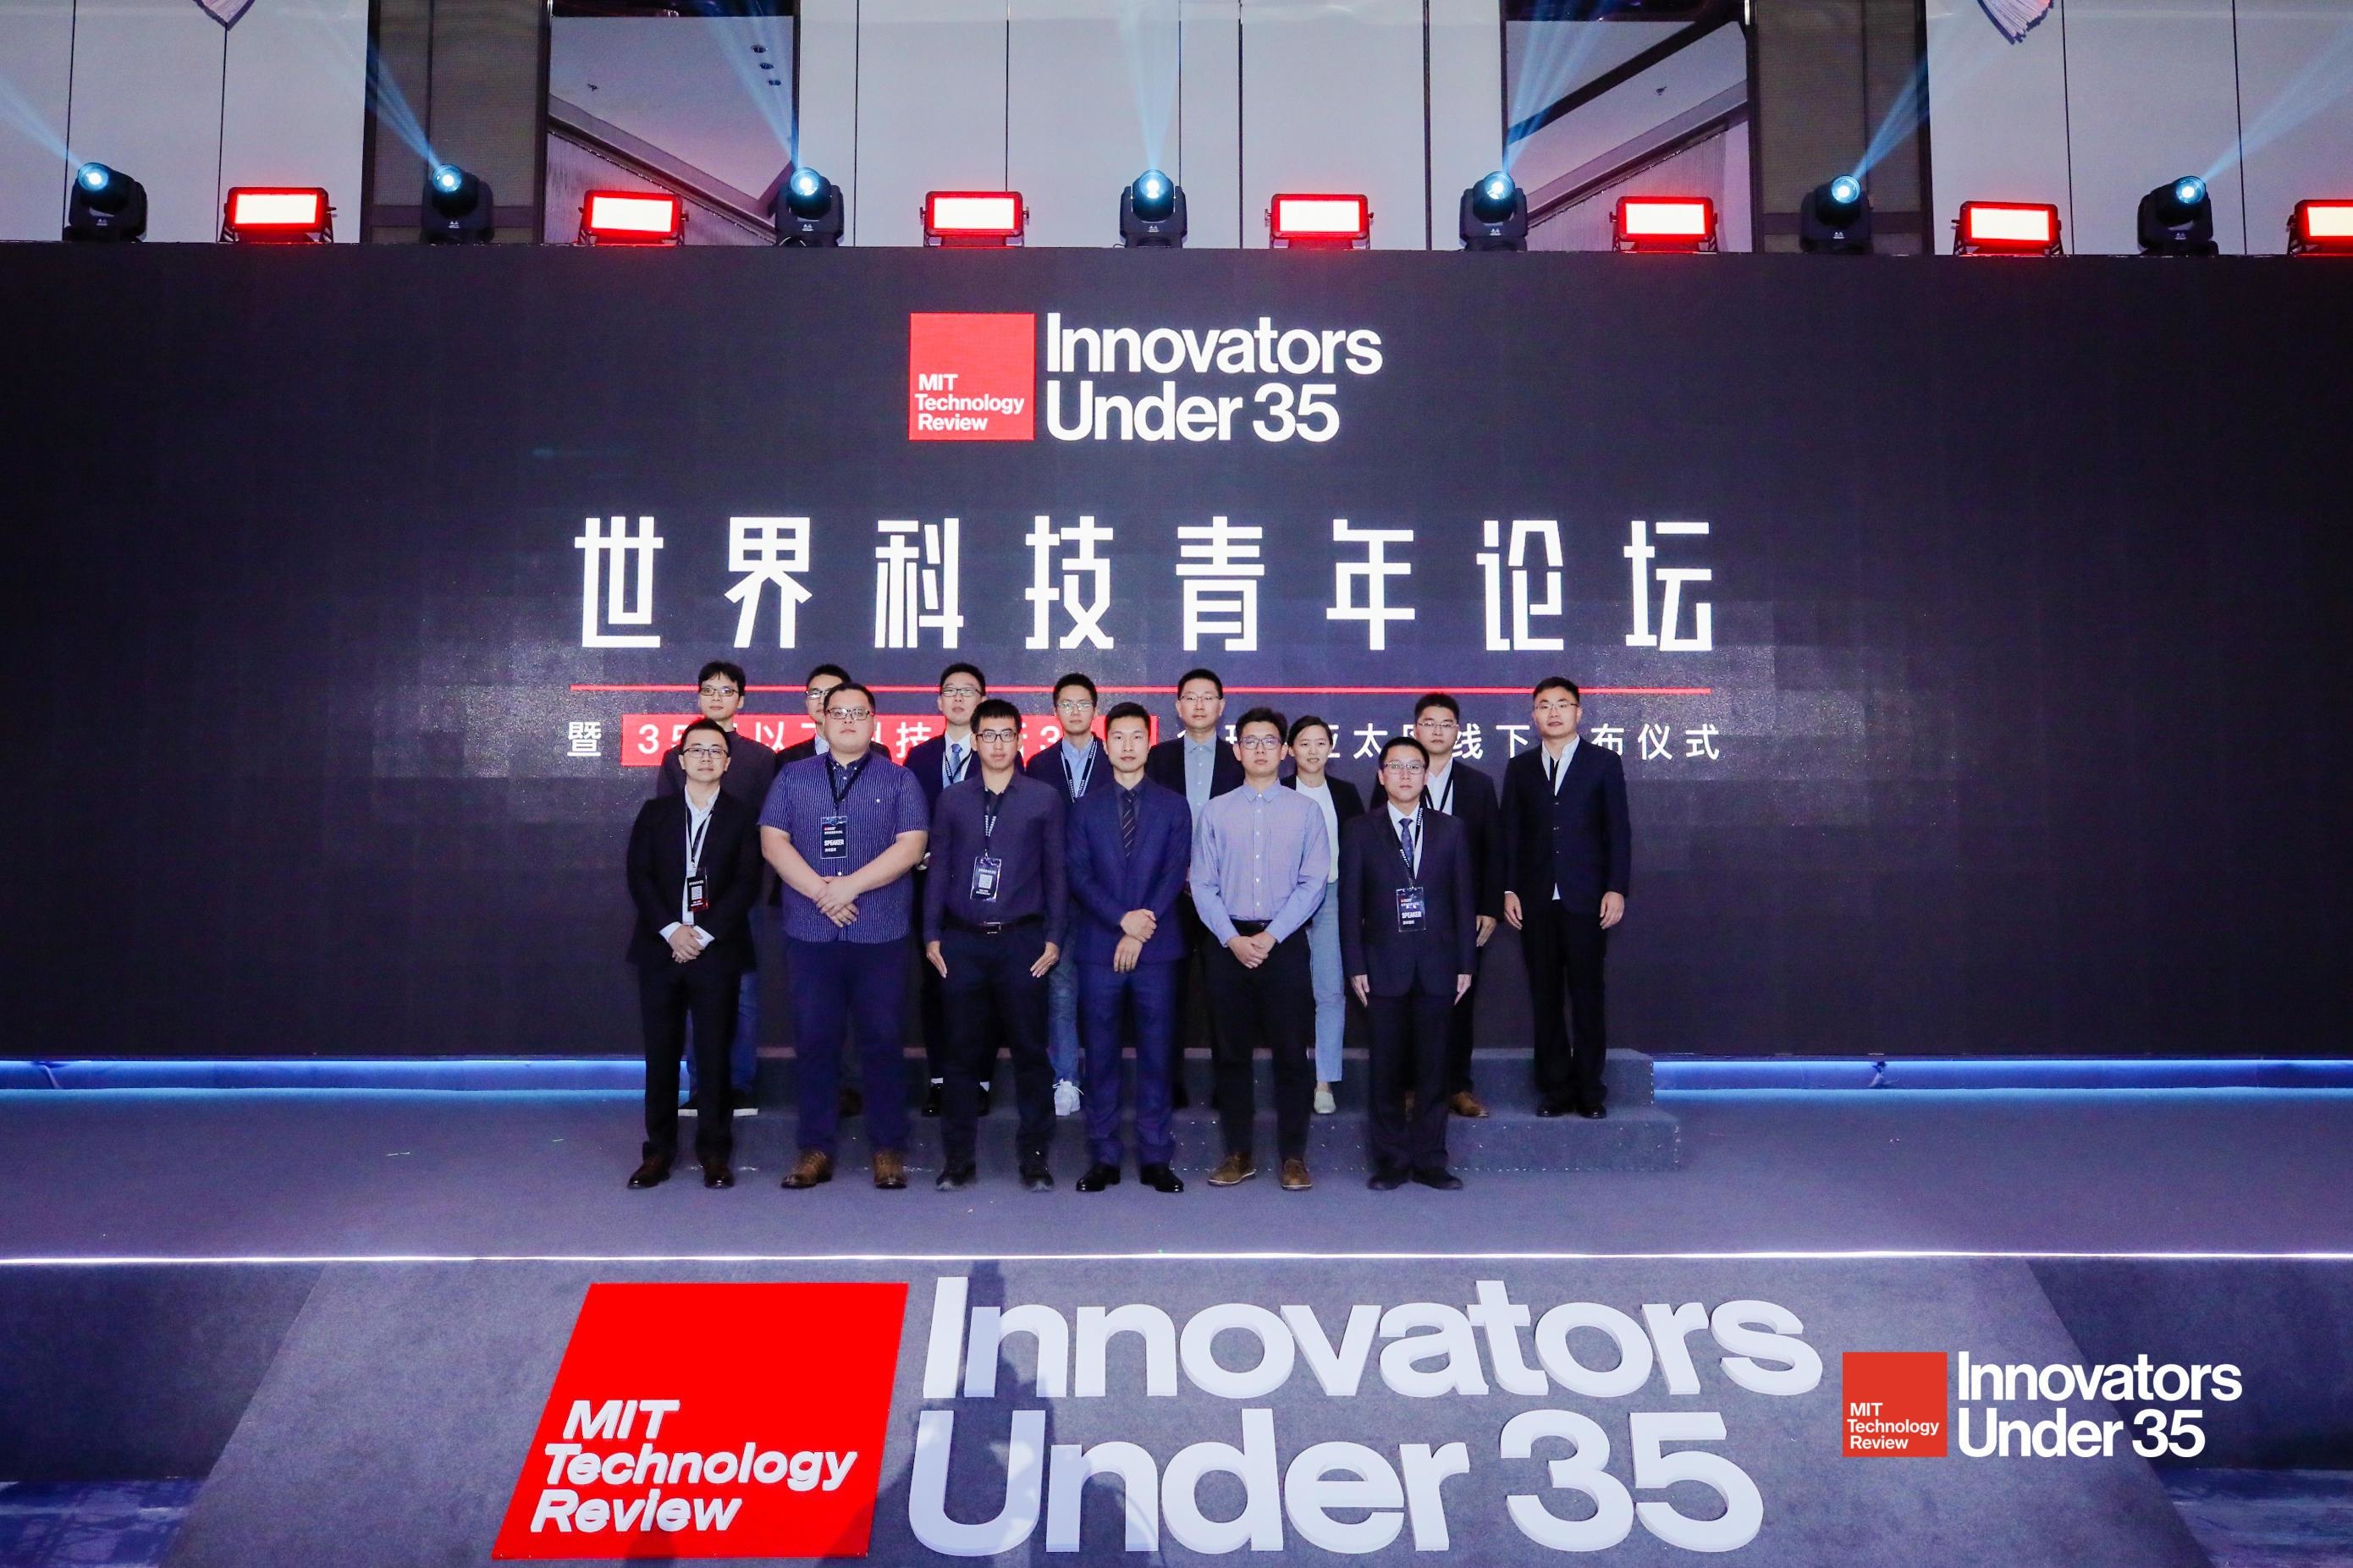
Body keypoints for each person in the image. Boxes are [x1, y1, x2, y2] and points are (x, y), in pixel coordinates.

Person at [760, 683, 926, 1188]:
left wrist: (848, 887)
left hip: (880, 932)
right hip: (811, 931)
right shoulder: (793, 777)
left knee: (883, 1041)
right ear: (821, 719)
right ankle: (814, 1148)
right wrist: (821, 892)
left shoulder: (900, 779)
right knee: (814, 1040)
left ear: (875, 720)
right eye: (839, 712)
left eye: (859, 712)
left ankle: (888, 1148)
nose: (849, 721)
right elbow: (773, 841)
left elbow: (911, 846)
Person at [926, 698, 1067, 1191]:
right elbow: (939, 870)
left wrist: (1054, 936)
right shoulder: (952, 799)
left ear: (1020, 739)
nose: (998, 744)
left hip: (1022, 942)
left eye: (1007, 734)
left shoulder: (1044, 798)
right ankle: (957, 1160)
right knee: (961, 1055)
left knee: (1031, 1053)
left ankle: (1035, 1159)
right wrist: (931, 934)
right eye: (989, 735)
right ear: (975, 741)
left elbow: (1056, 873)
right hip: (962, 942)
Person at [1190, 707, 1329, 1191]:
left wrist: (1271, 937)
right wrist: (1232, 938)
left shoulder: (1306, 812)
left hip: (1283, 945)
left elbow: (1313, 884)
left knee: (1292, 1054)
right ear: (1237, 751)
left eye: (1270, 741)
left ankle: (1293, 1157)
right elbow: (1201, 884)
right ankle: (1238, 1153)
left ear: (1285, 750)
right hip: (1227, 946)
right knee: (1231, 1055)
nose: (1261, 750)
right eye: (1251, 741)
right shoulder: (1215, 811)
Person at [624, 718, 763, 1190]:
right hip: (660, 949)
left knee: (715, 1053)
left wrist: (700, 934)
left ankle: (715, 1152)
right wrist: (671, 931)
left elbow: (747, 883)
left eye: (715, 750)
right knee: (661, 1053)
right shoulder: (654, 813)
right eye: (696, 750)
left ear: (728, 762)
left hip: (716, 951)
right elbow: (639, 876)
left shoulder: (743, 816)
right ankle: (658, 1152)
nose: (706, 757)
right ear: (681, 760)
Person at [1066, 702, 1191, 1194]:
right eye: (1118, 737)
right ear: (1106, 742)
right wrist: (1121, 921)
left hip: (1156, 950)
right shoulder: (1085, 807)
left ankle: (1156, 1157)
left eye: (1137, 736)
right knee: (1100, 1057)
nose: (1127, 746)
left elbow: (1174, 872)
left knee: (1158, 1057)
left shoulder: (1173, 805)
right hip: (1100, 948)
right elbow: (1078, 875)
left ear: (1149, 742)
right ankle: (1104, 1156)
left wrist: (1139, 930)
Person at [1340, 737, 1475, 1191]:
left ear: (1425, 775)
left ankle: (1431, 1160)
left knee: (1434, 1069)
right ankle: (1391, 1160)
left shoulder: (1451, 830)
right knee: (1387, 1070)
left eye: (1414, 767)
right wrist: (1355, 964)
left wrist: (1466, 962)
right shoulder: (1360, 830)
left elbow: (1463, 900)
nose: (1404, 775)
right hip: (1382, 967)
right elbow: (1349, 905)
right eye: (1395, 767)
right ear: (1381, 776)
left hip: (1438, 965)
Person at [1499, 678, 1631, 1119]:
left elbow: (1618, 831)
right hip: (1535, 900)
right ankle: (1555, 1089)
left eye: (1562, 704)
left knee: (1588, 995)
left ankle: (1590, 1090)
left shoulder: (1603, 763)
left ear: (1579, 712)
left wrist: (1615, 887)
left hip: (1587, 899)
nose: (1553, 713)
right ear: (1533, 715)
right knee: (1546, 997)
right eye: (1544, 705)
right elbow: (1510, 833)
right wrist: (1509, 888)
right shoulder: (1520, 768)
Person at [653, 660, 779, 1117]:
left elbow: (770, 826)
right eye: (709, 690)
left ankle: (739, 1084)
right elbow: (666, 826)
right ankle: (702, 1085)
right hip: (688, 896)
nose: (717, 697)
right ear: (698, 696)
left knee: (742, 993)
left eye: (727, 691)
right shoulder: (676, 756)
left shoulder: (761, 758)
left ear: (741, 699)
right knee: (692, 990)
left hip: (742, 893)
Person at [1145, 668, 1243, 1109]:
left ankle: (1229, 1085)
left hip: (1226, 893)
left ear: (1222, 706)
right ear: (1178, 706)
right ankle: (1169, 1083)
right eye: (1191, 697)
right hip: (1171, 894)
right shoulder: (1158, 758)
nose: (1199, 705)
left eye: (1208, 697)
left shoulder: (1239, 758)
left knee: (1226, 995)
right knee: (1169, 994)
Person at [1409, 693, 1505, 1120]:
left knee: (1460, 1000)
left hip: (1463, 911)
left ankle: (1458, 1087)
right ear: (1415, 729)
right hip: (1409, 911)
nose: (1437, 731)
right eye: (1429, 723)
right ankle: (1412, 1086)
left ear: (1458, 732)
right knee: (1409, 999)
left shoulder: (1477, 784)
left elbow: (1493, 850)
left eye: (1445, 724)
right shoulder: (1397, 775)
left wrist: (1489, 906)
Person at [903, 662, 990, 1119]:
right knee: (935, 987)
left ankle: (979, 1081)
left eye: (968, 691)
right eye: (950, 691)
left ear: (982, 701)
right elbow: (905, 816)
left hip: (985, 894)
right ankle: (939, 1079)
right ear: (939, 701)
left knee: (982, 990)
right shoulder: (918, 757)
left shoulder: (997, 753)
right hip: (927, 890)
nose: (958, 698)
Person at [1025, 672, 1102, 1119]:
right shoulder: (1038, 764)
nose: (1075, 711)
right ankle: (1066, 1077)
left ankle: (1103, 1076)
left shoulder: (1115, 758)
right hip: (1054, 893)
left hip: (1107, 893)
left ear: (1095, 709)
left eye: (1082, 704)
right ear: (1055, 711)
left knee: (1105, 990)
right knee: (1060, 988)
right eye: (1066, 704)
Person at [1280, 716, 1364, 1114]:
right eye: (1305, 743)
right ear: (1290, 750)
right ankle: (1293, 1076)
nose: (1313, 751)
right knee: (1289, 993)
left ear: (1330, 748)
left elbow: (1361, 853)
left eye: (1320, 743)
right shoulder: (1277, 791)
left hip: (1332, 898)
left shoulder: (1346, 794)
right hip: (1285, 901)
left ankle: (1325, 1081)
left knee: (1329, 991)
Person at [775, 662, 851, 763]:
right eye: (814, 693)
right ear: (807, 702)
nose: (822, 700)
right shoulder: (788, 759)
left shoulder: (873, 755)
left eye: (830, 693)